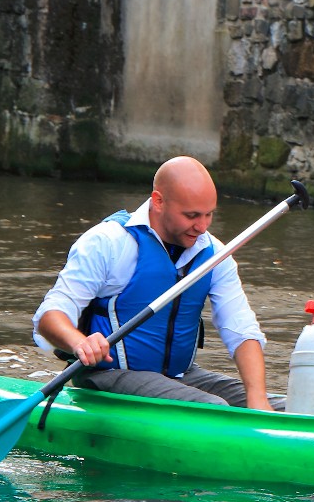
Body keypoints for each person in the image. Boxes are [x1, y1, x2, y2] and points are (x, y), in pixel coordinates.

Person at [33, 156, 271, 408]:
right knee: (214, 408)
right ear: (158, 201)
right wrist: (80, 342)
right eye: (191, 216)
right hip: (109, 376)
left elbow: (241, 330)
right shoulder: (108, 242)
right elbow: (50, 316)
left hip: (179, 377)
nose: (202, 227)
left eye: (209, 215)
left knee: (289, 407)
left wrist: (258, 398)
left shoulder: (214, 254)